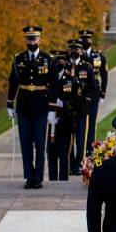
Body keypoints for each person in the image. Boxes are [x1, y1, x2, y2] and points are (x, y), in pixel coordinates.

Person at [7, 26, 57, 189]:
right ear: (26, 40)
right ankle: (29, 177)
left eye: (34, 39)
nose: (32, 42)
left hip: (41, 107)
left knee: (40, 144)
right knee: (26, 143)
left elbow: (53, 85)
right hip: (23, 106)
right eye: (29, 39)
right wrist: (9, 104)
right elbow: (13, 82)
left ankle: (38, 178)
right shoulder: (19, 59)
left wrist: (52, 109)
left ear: (40, 40)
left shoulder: (48, 59)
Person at [63, 40, 97, 176]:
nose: (75, 51)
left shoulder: (86, 67)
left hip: (82, 108)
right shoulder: (64, 66)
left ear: (81, 51)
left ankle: (79, 164)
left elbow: (93, 87)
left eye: (77, 49)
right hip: (68, 109)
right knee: (69, 138)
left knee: (81, 137)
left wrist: (87, 98)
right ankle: (70, 163)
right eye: (72, 49)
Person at [79, 30, 108, 158]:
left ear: (91, 41)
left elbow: (104, 74)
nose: (86, 41)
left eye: (88, 39)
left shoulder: (98, 55)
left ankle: (90, 148)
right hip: (80, 92)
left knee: (92, 122)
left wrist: (103, 93)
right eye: (83, 39)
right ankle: (81, 148)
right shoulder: (77, 55)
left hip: (94, 92)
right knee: (81, 123)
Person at [46, 49, 69, 181]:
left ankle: (64, 179)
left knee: (64, 152)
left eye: (62, 59)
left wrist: (63, 104)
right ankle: (52, 178)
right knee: (51, 152)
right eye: (57, 59)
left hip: (64, 121)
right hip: (50, 121)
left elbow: (75, 101)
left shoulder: (70, 79)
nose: (60, 62)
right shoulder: (47, 79)